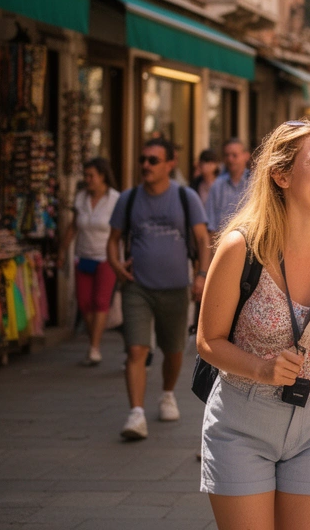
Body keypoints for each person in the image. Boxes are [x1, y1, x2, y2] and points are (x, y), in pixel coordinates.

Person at [196, 120, 310, 529]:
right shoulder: (241, 247)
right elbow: (207, 341)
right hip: (243, 421)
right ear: (280, 175)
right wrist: (262, 368)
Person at [107, 138, 213, 441]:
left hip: (176, 288)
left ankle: (167, 394)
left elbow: (202, 239)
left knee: (174, 351)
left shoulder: (185, 197)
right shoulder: (128, 199)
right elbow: (112, 240)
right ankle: (136, 414)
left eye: (153, 160)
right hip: (136, 286)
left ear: (170, 163)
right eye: (143, 159)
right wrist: (116, 266)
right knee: (136, 348)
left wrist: (201, 275)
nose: (145, 166)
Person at [60, 157, 122, 366]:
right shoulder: (80, 198)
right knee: (84, 302)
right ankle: (95, 337)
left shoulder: (115, 199)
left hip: (106, 258)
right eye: (85, 176)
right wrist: (62, 250)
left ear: (102, 176)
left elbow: (121, 231)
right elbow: (73, 226)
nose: (87, 180)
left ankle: (94, 347)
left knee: (100, 302)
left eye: (91, 176)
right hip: (83, 257)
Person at [207, 139, 251, 238]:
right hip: (223, 244)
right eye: (227, 155)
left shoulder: (255, 183)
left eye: (234, 155)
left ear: (246, 156)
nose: (230, 159)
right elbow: (211, 226)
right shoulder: (217, 185)